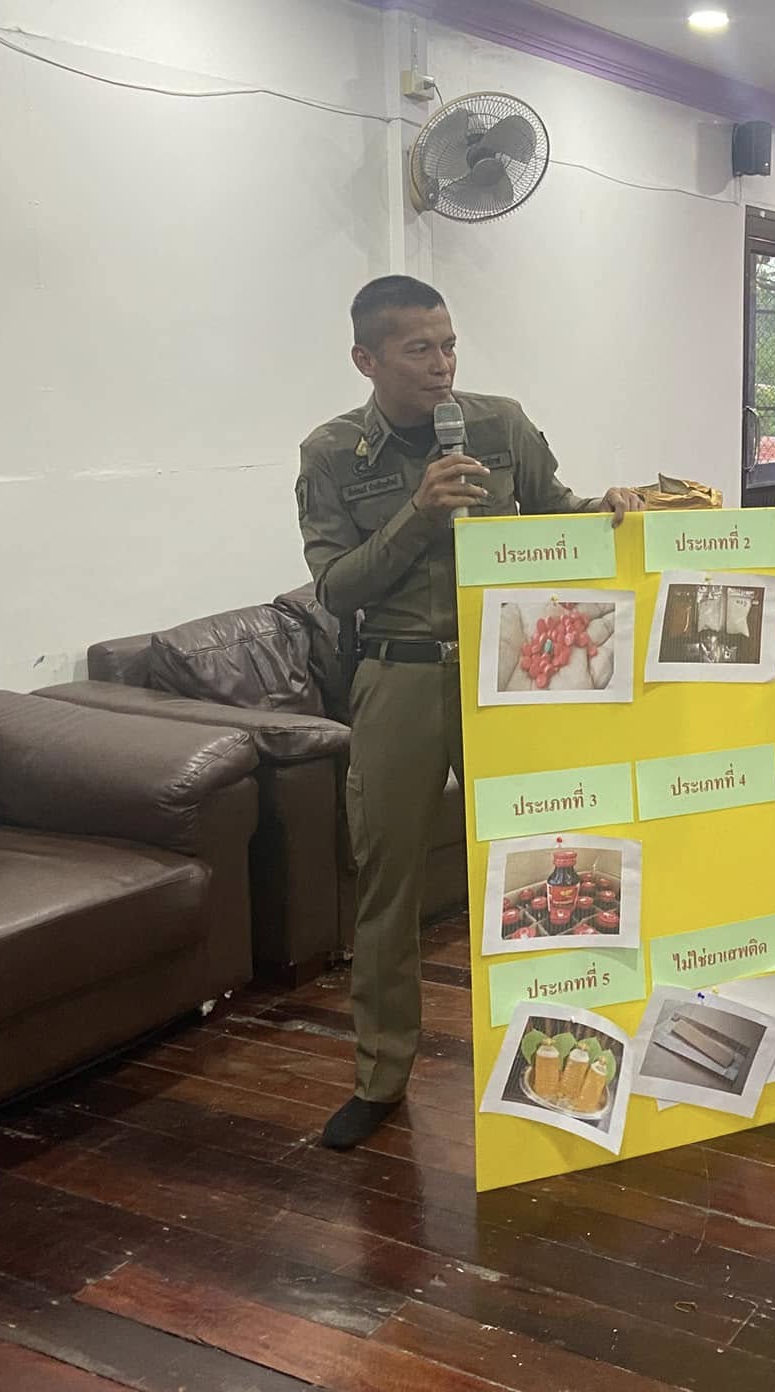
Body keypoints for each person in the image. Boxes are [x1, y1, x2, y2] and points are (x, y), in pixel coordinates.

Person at [297, 275, 644, 1150]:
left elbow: (557, 513)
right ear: (366, 359)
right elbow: (336, 587)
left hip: (515, 676)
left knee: (551, 867)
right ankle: (380, 1076)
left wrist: (605, 511)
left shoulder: (499, 425)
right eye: (419, 349)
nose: (443, 365)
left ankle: (563, 1059)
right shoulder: (334, 453)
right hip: (401, 677)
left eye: (449, 345)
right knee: (388, 885)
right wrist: (419, 514)